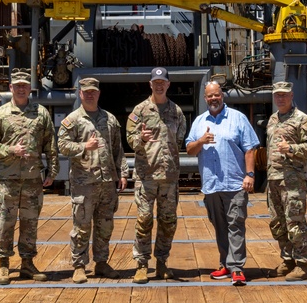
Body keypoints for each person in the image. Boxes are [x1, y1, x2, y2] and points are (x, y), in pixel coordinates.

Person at [0, 69, 59, 285]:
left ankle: (27, 264)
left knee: (30, 223)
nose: (20, 88)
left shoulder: (41, 113)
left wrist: (52, 171)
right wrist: (10, 150)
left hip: (32, 179)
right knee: (5, 222)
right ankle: (4, 265)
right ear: (10, 88)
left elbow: (50, 144)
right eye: (16, 85)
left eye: (24, 85)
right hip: (6, 180)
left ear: (30, 89)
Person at [185, 80, 259, 286]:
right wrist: (200, 141)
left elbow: (250, 149)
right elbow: (190, 149)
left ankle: (236, 267)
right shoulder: (199, 121)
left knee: (235, 224)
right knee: (220, 227)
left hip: (235, 183)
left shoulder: (238, 118)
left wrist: (250, 175)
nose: (213, 99)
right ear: (205, 98)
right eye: (209, 96)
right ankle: (226, 264)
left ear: (222, 95)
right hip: (211, 185)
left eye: (216, 95)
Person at [57, 77, 128, 284]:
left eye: (93, 91)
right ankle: (79, 266)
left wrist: (122, 173)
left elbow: (118, 148)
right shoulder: (73, 120)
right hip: (84, 182)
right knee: (81, 225)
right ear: (80, 93)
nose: (89, 94)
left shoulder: (110, 119)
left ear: (98, 93)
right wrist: (83, 147)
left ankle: (101, 263)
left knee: (105, 225)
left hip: (107, 182)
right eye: (86, 91)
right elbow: (62, 145)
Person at [126, 67, 186, 284]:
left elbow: (178, 140)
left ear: (168, 84)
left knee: (168, 221)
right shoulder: (139, 110)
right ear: (150, 84)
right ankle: (141, 264)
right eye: (155, 82)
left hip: (169, 177)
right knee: (144, 220)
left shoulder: (176, 111)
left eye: (163, 82)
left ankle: (162, 262)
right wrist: (140, 139)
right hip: (146, 176)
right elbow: (130, 140)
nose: (159, 85)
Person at [265, 81, 307, 281]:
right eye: (277, 95)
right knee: (278, 222)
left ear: (291, 95)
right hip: (274, 179)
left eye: (284, 95)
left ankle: (303, 264)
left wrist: (292, 149)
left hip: (293, 180)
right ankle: (287, 259)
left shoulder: (302, 119)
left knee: (295, 221)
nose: (280, 98)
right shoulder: (272, 119)